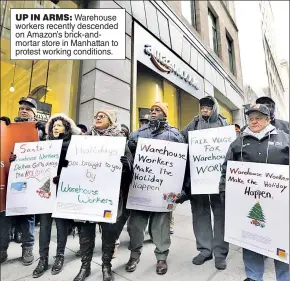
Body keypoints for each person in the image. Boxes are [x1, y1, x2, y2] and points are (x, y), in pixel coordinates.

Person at [219, 104, 289, 281]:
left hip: (280, 205)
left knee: (282, 242)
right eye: (251, 118)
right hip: (247, 204)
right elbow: (226, 171)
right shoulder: (238, 142)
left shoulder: (285, 139)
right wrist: (225, 196)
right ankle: (253, 276)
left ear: (268, 119)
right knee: (250, 239)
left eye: (259, 117)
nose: (254, 121)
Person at [73, 109, 133, 281]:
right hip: (86, 195)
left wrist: (127, 165)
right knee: (85, 232)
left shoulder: (120, 142)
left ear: (111, 121)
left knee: (109, 233)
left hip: (109, 196)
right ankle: (85, 266)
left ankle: (106, 266)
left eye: (102, 116)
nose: (98, 118)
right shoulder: (84, 141)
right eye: (96, 116)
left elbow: (130, 174)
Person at [126, 102, 184, 275]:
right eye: (151, 110)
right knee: (136, 225)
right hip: (141, 188)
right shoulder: (137, 134)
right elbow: (128, 156)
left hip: (163, 191)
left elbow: (182, 163)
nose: (152, 112)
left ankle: (161, 258)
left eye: (157, 110)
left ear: (165, 114)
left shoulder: (174, 135)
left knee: (161, 226)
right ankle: (134, 255)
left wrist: (181, 188)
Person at [180, 95, 229, 270]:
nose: (204, 109)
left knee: (221, 215)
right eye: (202, 106)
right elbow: (180, 140)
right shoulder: (193, 124)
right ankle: (205, 250)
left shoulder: (223, 124)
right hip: (198, 178)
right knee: (200, 214)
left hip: (217, 180)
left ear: (214, 107)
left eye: (208, 106)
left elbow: (231, 147)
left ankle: (220, 253)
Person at [32, 113, 82, 278]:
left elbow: (77, 168)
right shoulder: (44, 145)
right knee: (45, 226)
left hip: (63, 191)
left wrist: (64, 176)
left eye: (59, 125)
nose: (55, 128)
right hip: (47, 191)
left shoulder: (74, 146)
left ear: (67, 128)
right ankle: (43, 258)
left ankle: (59, 256)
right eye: (53, 126)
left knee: (61, 226)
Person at [0, 97, 46, 265]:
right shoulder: (8, 128)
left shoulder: (41, 130)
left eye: (28, 108)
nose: (24, 110)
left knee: (27, 216)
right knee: (3, 216)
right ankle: (1, 249)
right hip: (8, 176)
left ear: (34, 113)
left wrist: (44, 134)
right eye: (21, 108)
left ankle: (28, 248)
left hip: (29, 178)